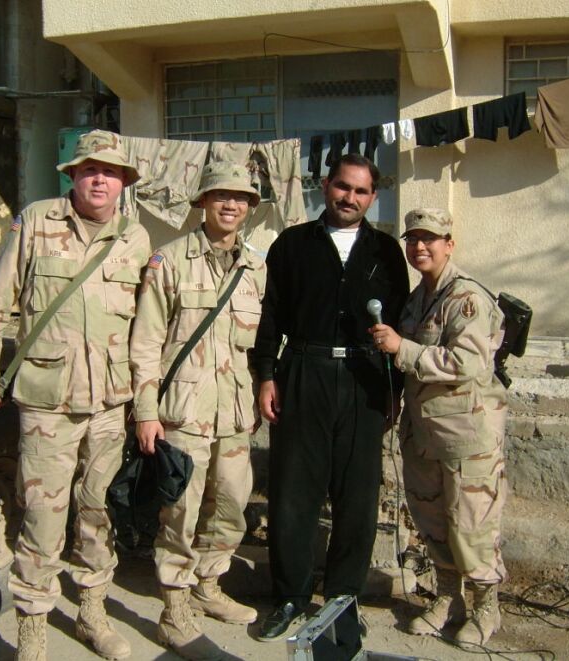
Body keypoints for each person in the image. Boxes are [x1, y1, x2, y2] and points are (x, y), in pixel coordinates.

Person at [0, 130, 151, 661]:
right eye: (90, 169)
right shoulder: (36, 222)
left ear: (122, 183)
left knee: (98, 509)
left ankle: (92, 612)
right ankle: (33, 625)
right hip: (47, 400)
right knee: (43, 514)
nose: (99, 178)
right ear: (73, 175)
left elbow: (147, 329)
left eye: (110, 172)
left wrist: (145, 401)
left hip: (111, 403)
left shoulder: (135, 239)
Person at [254, 153, 410, 641]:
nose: (350, 198)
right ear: (326, 186)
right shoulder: (292, 245)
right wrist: (266, 376)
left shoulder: (386, 252)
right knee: (293, 494)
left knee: (358, 497)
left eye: (361, 192)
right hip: (304, 371)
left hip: (364, 379)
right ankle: (290, 597)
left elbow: (401, 323)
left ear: (373, 197)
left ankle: (343, 602)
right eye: (343, 187)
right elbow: (270, 317)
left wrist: (393, 389)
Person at [130, 162, 266, 661]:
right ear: (202, 203)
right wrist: (146, 410)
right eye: (220, 196)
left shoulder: (256, 267)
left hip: (233, 412)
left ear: (250, 208)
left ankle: (209, 585)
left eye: (240, 198)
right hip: (181, 413)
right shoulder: (168, 261)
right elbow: (145, 342)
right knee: (180, 514)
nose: (230, 205)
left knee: (231, 503)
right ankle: (174, 609)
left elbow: (259, 343)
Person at [369, 208, 508, 646]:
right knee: (431, 520)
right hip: (425, 434)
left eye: (429, 238)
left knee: (471, 525)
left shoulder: (465, 298)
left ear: (450, 243)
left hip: (466, 438)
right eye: (412, 239)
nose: (419, 247)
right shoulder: (418, 297)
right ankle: (448, 598)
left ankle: (486, 608)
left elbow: (468, 363)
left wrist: (401, 347)